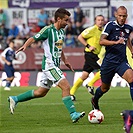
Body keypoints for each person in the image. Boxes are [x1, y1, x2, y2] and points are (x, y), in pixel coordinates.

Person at [8, 8, 85, 123]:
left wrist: (65, 60)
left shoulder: (61, 32)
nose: (67, 23)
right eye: (66, 20)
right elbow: (33, 38)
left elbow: (59, 48)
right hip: (50, 65)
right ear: (58, 19)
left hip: (55, 65)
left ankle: (15, 99)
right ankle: (73, 114)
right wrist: (25, 46)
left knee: (41, 92)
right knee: (66, 86)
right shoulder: (48, 30)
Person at [90, 6, 133, 133]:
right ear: (116, 15)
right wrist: (115, 43)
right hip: (108, 63)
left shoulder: (128, 28)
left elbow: (128, 41)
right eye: (120, 15)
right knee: (105, 88)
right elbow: (101, 41)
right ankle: (95, 99)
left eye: (124, 16)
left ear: (126, 16)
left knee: (132, 78)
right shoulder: (110, 25)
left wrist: (131, 50)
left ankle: (131, 113)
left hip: (122, 62)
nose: (122, 18)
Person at [70, 15, 105, 101]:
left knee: (85, 75)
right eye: (98, 20)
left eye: (102, 20)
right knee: (104, 69)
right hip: (90, 54)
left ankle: (71, 93)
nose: (100, 22)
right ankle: (90, 84)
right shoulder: (92, 29)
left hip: (95, 55)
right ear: (95, 21)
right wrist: (88, 45)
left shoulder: (103, 31)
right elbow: (80, 37)